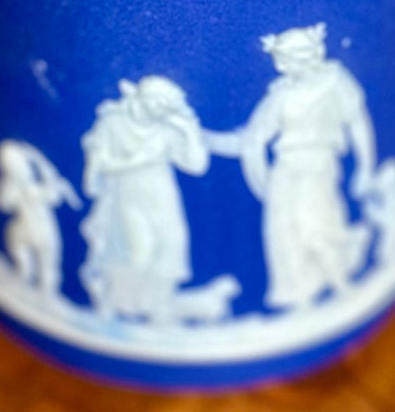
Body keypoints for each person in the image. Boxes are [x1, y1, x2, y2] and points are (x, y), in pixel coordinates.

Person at [238, 25, 374, 311]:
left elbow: (357, 122)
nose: (285, 66)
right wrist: (261, 182)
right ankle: (303, 304)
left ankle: (341, 287)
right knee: (286, 235)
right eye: (283, 61)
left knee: (318, 229)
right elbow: (254, 139)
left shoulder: (335, 82)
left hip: (318, 165)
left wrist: (366, 166)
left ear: (311, 55)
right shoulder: (281, 96)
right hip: (286, 171)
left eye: (290, 60)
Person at [79, 76, 210, 322]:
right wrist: (140, 160)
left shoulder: (166, 128)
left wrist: (189, 131)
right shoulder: (113, 123)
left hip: (163, 196)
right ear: (144, 99)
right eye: (160, 104)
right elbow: (99, 165)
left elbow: (197, 166)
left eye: (168, 107)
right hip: (128, 195)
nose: (164, 111)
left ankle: (158, 308)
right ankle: (118, 306)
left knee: (170, 247)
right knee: (139, 252)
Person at [0, 139, 81, 296]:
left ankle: (40, 289)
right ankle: (33, 284)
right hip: (39, 230)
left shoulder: (20, 187)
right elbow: (3, 203)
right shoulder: (28, 187)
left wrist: (37, 159)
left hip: (31, 230)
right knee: (42, 264)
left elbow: (4, 202)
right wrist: (38, 160)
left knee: (43, 267)